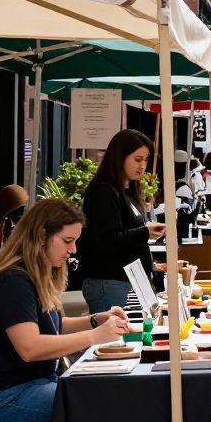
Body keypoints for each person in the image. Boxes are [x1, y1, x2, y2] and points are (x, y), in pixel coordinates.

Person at [0, 199, 129, 422]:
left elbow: (52, 327)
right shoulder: (13, 281)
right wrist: (93, 336)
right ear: (42, 235)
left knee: (105, 399)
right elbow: (30, 347)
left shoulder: (31, 275)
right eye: (67, 241)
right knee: (101, 406)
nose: (73, 249)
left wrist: (96, 319)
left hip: (33, 387)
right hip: (4, 400)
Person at [78, 129, 165, 313]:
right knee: (116, 339)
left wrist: (145, 230)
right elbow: (108, 238)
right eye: (137, 159)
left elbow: (124, 230)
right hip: (110, 282)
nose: (142, 165)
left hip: (131, 281)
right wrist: (144, 232)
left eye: (145, 160)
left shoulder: (127, 191)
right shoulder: (104, 191)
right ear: (120, 157)